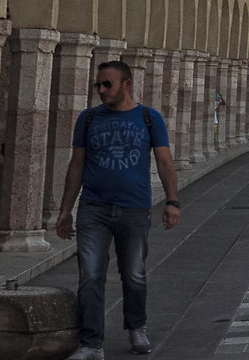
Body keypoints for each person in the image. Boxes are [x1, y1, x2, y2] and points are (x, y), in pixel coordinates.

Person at [55, 59, 178, 360]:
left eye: (107, 84)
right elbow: (77, 165)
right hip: (93, 207)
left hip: (134, 207)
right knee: (90, 275)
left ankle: (137, 327)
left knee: (134, 273)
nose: (101, 89)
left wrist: (172, 201)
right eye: (98, 84)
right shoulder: (88, 119)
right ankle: (91, 344)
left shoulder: (149, 118)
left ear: (126, 83)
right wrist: (65, 209)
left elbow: (164, 162)